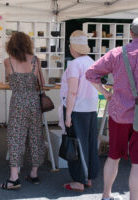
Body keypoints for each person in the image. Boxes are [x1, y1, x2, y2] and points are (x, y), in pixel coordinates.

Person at [86, 18, 138, 200]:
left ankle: (106, 196)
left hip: (119, 114)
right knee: (137, 165)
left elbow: (90, 73)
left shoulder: (117, 54)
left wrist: (105, 92)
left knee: (113, 156)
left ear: (131, 32)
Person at [0, 32, 45, 190]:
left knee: (16, 137)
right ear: (28, 44)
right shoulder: (35, 60)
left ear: (11, 45)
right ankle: (34, 174)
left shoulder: (7, 62)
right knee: (35, 136)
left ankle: (14, 177)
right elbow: (42, 82)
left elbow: (9, 80)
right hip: (33, 101)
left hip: (18, 102)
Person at [60, 30, 99, 192]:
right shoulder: (92, 62)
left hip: (77, 110)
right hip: (91, 109)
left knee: (76, 145)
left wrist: (68, 114)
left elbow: (72, 91)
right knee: (89, 144)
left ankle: (78, 181)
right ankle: (88, 177)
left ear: (72, 47)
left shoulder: (74, 65)